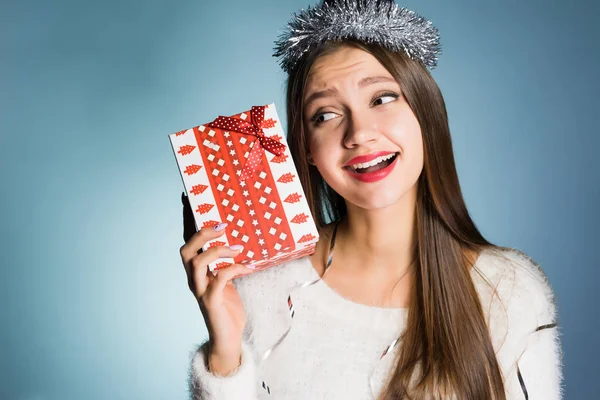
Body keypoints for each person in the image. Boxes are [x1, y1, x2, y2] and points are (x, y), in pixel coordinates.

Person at [178, 0, 563, 398]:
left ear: (426, 115)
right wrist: (225, 355)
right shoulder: (260, 287)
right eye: (325, 115)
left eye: (381, 99)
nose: (359, 133)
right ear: (307, 148)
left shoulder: (509, 289)